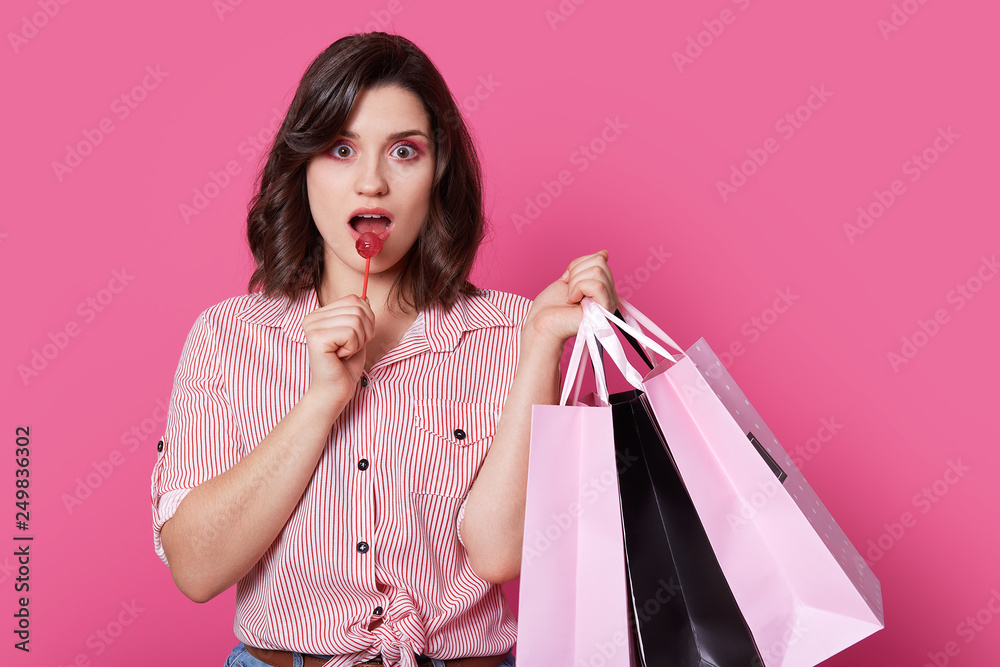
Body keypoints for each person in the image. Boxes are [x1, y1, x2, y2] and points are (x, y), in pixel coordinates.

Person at [150, 32, 619, 667]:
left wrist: (540, 347)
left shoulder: (515, 331)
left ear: (438, 173)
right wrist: (320, 404)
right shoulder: (228, 337)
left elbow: (499, 552)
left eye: (404, 151)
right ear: (302, 167)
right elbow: (197, 569)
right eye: (341, 149)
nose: (371, 182)